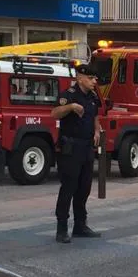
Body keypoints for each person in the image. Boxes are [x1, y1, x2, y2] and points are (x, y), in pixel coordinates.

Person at [51, 64, 102, 243]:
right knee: (68, 188)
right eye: (91, 78)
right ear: (80, 78)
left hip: (87, 148)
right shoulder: (69, 95)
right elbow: (55, 114)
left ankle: (80, 225)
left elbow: (95, 116)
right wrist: (71, 107)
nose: (94, 81)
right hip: (70, 148)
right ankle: (62, 228)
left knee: (84, 189)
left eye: (95, 79)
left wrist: (96, 131)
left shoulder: (94, 97)